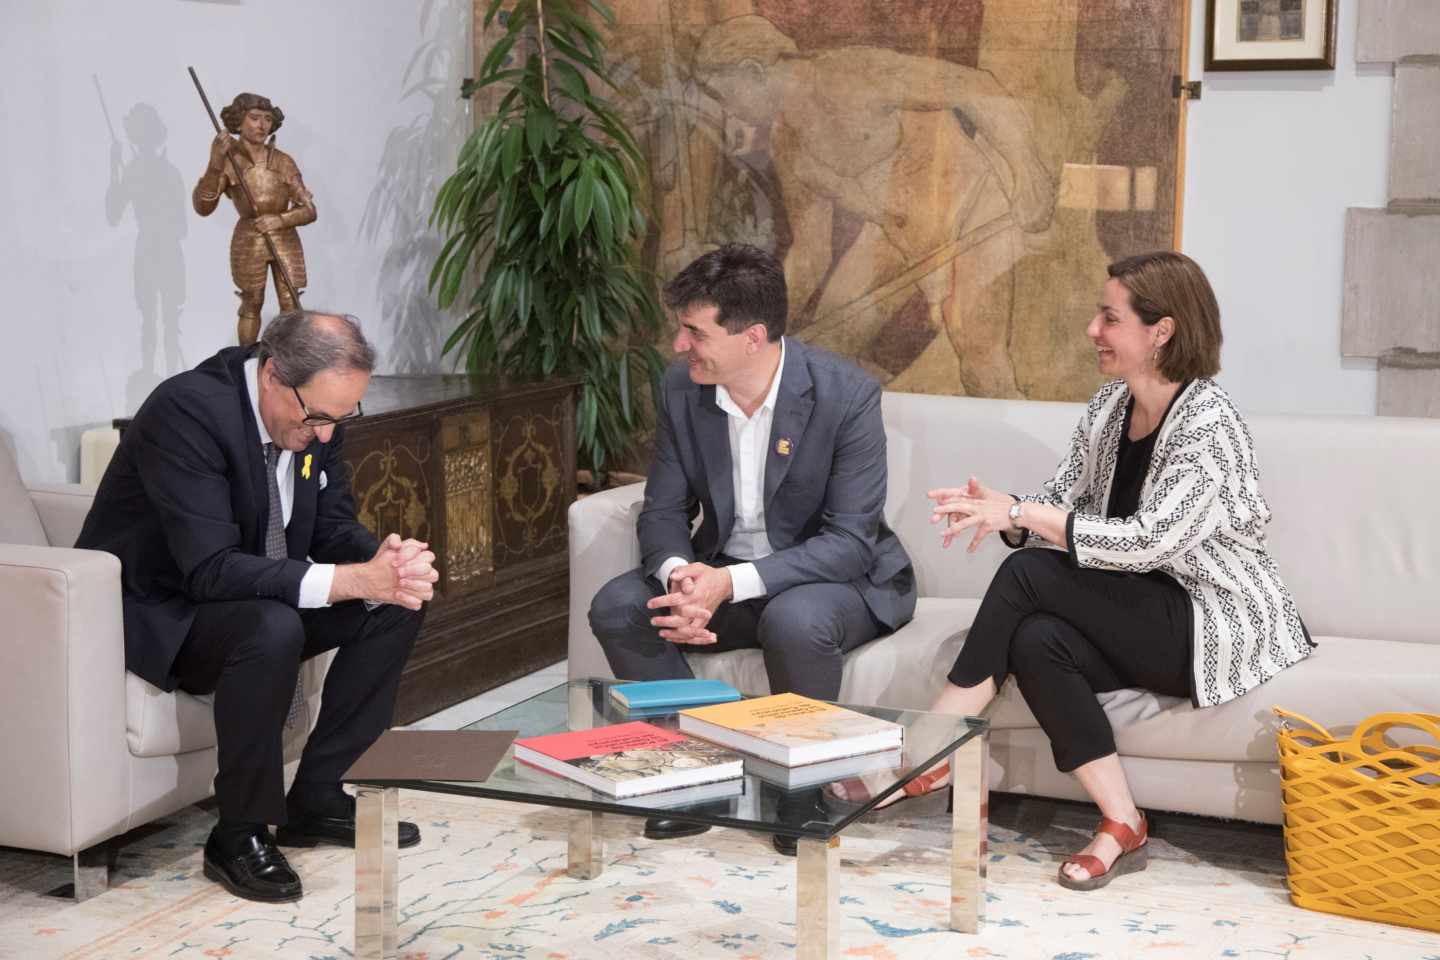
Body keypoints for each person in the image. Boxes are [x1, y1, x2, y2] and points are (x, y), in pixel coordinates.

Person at [852, 251, 1312, 890]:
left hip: (1205, 622)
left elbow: (1149, 543)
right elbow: (1063, 500)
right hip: (1129, 612)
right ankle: (1123, 820)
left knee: (1027, 580)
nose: (1093, 331)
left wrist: (1023, 514)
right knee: (1036, 638)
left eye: (1109, 317)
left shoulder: (1210, 423)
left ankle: (926, 754)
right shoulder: (1108, 408)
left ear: (1162, 331)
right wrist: (1002, 516)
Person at [76, 311, 438, 903]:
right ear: (272, 375)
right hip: (168, 610)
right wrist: (350, 580)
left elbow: (333, 526)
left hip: (254, 592)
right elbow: (210, 568)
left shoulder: (313, 419)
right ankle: (237, 831)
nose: (326, 435)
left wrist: (385, 564)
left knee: (396, 602)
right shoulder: (187, 413)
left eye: (340, 419)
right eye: (318, 417)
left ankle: (317, 796)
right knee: (271, 627)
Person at [588, 243, 916, 853]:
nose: (680, 345)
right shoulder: (682, 390)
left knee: (794, 619)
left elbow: (848, 542)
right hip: (723, 572)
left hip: (837, 581)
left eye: (694, 331)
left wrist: (725, 586)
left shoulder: (846, 395)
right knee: (618, 606)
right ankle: (693, 782)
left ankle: (800, 790)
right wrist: (681, 575)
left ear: (752, 336)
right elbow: (661, 509)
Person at [690, 15, 1056, 398]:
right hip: (894, 236)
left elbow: (976, 88)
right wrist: (758, 326)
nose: (728, 112)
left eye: (724, 95)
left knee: (983, 370)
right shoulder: (789, 145)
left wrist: (1028, 171)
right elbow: (810, 253)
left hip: (971, 214)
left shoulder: (850, 74)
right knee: (828, 347)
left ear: (752, 72)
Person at [192, 93, 316, 346]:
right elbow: (204, 206)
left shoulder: (283, 161)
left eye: (268, 119)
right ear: (238, 121)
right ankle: (244, 363)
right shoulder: (230, 161)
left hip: (285, 237)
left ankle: (288, 364)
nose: (262, 125)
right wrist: (215, 164)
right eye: (255, 118)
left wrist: (280, 220)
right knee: (251, 302)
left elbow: (309, 210)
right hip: (250, 237)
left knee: (290, 304)